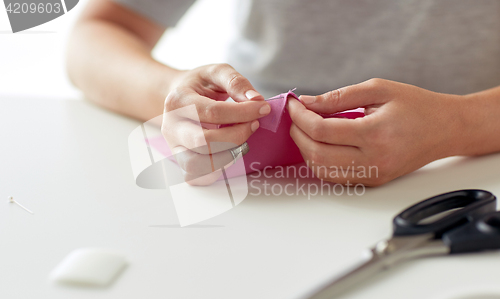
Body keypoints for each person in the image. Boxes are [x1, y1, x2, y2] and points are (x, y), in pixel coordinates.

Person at [67, 0, 500, 186]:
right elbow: (99, 33)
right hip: (251, 175)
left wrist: (460, 123)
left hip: (470, 175)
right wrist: (170, 95)